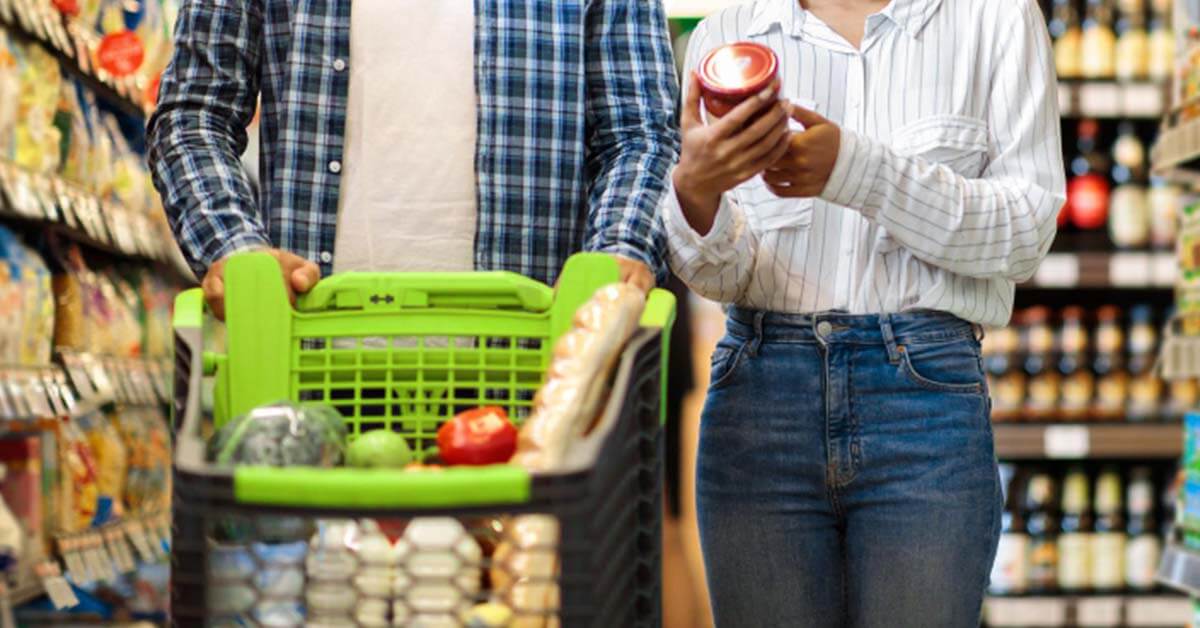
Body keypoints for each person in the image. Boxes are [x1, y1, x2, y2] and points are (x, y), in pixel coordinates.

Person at [666, 0, 1064, 626]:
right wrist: (696, 192)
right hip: (759, 397)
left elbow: (1026, 232)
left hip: (925, 404)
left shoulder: (996, 18)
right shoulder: (729, 33)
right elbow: (722, 273)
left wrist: (859, 172)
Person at [146, 1, 680, 317]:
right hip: (305, 348)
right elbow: (195, 115)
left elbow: (640, 133)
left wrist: (619, 248)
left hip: (536, 358)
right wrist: (235, 248)